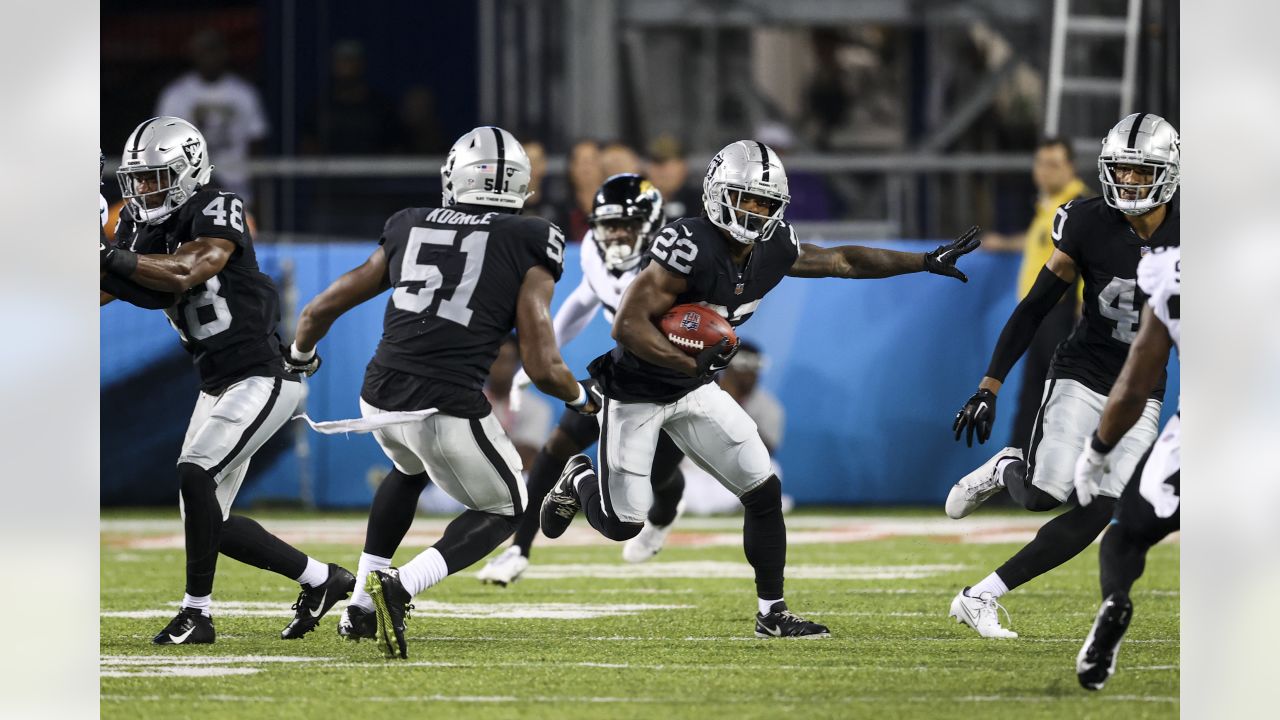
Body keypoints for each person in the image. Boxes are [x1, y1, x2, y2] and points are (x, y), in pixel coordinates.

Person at [539, 140, 981, 638]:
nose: (755, 211)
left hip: (694, 387)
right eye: (745, 198)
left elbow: (842, 261)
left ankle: (772, 613)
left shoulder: (773, 247)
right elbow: (628, 326)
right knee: (624, 523)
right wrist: (688, 359)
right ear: (715, 193)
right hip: (638, 387)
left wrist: (922, 260)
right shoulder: (688, 244)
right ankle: (578, 477)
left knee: (762, 489)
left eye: (765, 203)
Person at [286, 126, 601, 660]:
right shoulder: (531, 237)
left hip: (378, 391)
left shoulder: (410, 223)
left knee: (408, 471)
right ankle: (402, 586)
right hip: (444, 400)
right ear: (518, 186)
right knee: (509, 507)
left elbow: (319, 308)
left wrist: (298, 357)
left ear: (455, 177)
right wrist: (580, 399)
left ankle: (361, 604)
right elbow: (542, 363)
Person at [99, 116, 354, 645]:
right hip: (216, 382)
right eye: (138, 179)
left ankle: (197, 614)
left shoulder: (218, 205)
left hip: (264, 374)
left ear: (189, 168)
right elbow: (137, 292)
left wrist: (106, 256)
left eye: (156, 177)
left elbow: (187, 270)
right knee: (206, 512)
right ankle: (322, 579)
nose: (145, 190)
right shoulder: (139, 226)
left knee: (195, 475)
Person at [946, 113, 1180, 638]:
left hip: (1141, 387)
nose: (1129, 181)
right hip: (1083, 371)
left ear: (1168, 173)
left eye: (1142, 172)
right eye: (1121, 169)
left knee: (1103, 507)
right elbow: (1033, 308)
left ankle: (982, 595)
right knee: (1043, 495)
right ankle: (1007, 466)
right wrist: (990, 385)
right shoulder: (1088, 222)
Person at [476, 173, 686, 585]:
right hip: (624, 370)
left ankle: (662, 521)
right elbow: (586, 298)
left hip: (676, 381)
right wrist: (537, 358)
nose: (619, 235)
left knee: (658, 477)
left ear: (654, 224)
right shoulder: (591, 248)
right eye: (611, 225)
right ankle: (519, 548)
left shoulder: (678, 261)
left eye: (629, 224)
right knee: (558, 445)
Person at [1074, 245, 1180, 690]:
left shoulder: (1172, 270)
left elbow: (1136, 382)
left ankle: (1116, 599)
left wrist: (1097, 450)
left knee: (1125, 537)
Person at [983, 137, 1089, 451]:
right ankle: (1020, 471)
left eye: (1053, 164)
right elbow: (1040, 243)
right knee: (1033, 395)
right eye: (1040, 163)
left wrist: (1083, 309)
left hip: (1062, 313)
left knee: (1061, 397)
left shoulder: (1079, 207)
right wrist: (1003, 243)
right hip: (1040, 317)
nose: (1044, 172)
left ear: (1070, 167)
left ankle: (1071, 475)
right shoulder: (1049, 208)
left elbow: (1089, 259)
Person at [677, 340, 793, 516]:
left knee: (773, 470)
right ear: (728, 367)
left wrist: (733, 405)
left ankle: (730, 504)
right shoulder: (699, 391)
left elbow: (764, 452)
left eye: (754, 369)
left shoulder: (769, 406)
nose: (749, 375)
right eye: (743, 368)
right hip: (692, 473)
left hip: (729, 477)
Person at [154, 30, 268, 202]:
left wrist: (258, 195)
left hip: (237, 190)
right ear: (193, 54)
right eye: (203, 51)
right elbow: (161, 145)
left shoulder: (244, 94)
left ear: (224, 52)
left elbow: (256, 144)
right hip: (189, 194)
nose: (209, 56)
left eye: (213, 49)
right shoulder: (175, 95)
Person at [645, 135, 700, 219]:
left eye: (665, 163)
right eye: (655, 162)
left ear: (682, 166)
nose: (661, 171)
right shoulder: (638, 202)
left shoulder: (701, 202)